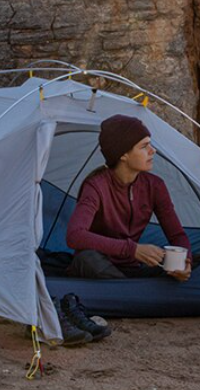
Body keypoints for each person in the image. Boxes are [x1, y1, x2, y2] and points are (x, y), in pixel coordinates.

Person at [65, 114, 192, 281]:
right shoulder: (96, 186)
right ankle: (130, 290)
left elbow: (177, 236)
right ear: (123, 154)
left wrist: (185, 262)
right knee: (86, 259)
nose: (152, 151)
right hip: (100, 266)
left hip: (132, 269)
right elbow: (75, 236)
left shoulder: (155, 186)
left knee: (178, 264)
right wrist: (133, 250)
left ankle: (127, 289)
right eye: (144, 146)